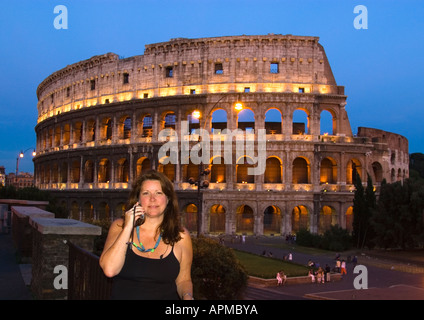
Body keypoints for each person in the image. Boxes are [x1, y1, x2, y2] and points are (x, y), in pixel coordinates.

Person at [99, 170, 193, 300]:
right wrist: (128, 227)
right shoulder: (119, 227)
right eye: (146, 193)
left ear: (168, 199)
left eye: (159, 193)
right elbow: (109, 270)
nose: (152, 198)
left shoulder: (181, 236)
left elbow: (183, 280)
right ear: (138, 199)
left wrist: (188, 296)